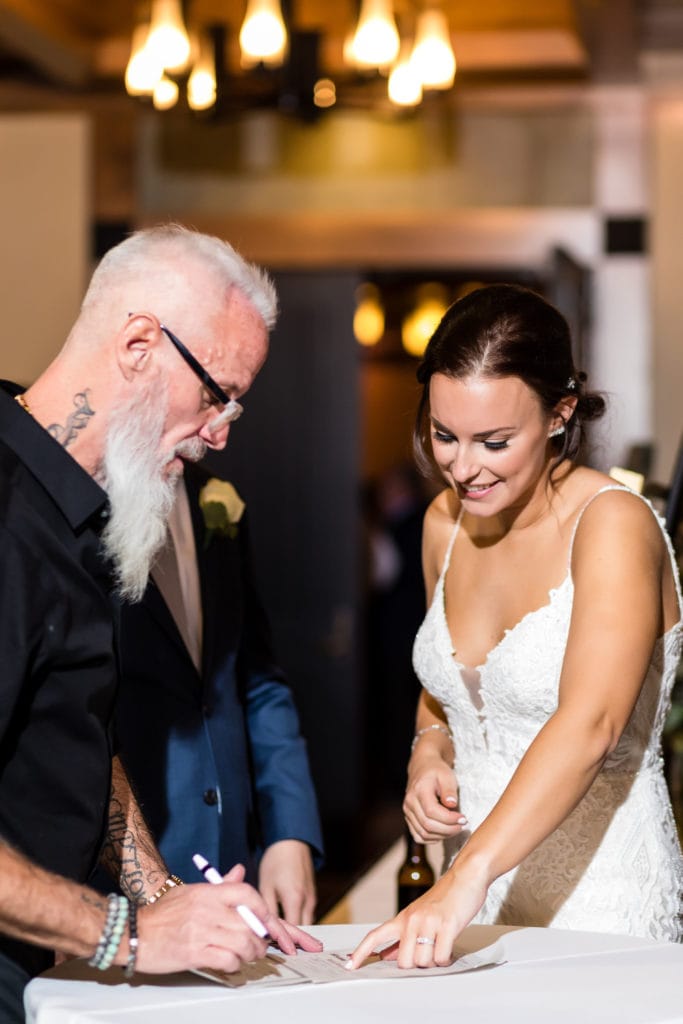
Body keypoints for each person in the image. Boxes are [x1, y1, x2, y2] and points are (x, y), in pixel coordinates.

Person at [0, 223, 320, 1020]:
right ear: (139, 342)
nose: (219, 432)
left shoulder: (86, 509)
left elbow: (78, 735)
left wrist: (171, 898)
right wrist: (130, 935)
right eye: (216, 394)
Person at [348, 283, 683, 971]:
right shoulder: (444, 523)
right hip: (471, 896)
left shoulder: (612, 525)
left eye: (492, 442)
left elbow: (591, 723)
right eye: (444, 435)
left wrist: (464, 878)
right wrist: (427, 753)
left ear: (559, 413)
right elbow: (445, 684)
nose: (462, 467)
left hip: (598, 905)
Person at [113, 461, 323, 923]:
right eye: (215, 396)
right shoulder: (75, 506)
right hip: (128, 873)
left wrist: (289, 830)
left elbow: (256, 677)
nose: (223, 432)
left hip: (234, 863)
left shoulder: (214, 497)